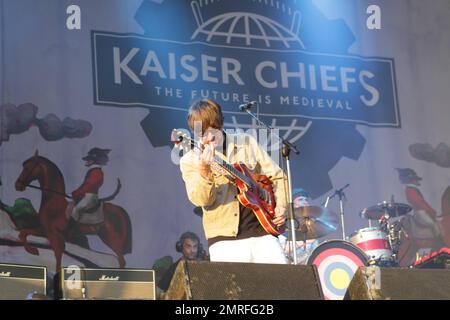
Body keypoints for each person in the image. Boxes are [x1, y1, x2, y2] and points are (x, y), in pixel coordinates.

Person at [179, 99, 287, 264]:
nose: (209, 136)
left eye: (212, 129)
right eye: (203, 133)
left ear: (220, 123)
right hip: (224, 240)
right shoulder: (190, 159)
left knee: (282, 285)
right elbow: (201, 200)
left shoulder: (246, 142)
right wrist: (204, 171)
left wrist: (281, 205)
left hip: (263, 231)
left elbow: (278, 176)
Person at [65, 147, 110, 237]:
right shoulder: (93, 171)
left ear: (95, 161)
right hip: (85, 195)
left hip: (90, 197)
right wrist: (74, 193)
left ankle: (68, 233)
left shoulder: (97, 172)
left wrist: (74, 194)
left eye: (90, 160)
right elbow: (84, 186)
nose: (87, 161)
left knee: (76, 210)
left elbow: (88, 186)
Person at [279, 188, 319, 264]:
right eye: (300, 200)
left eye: (306, 200)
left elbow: (314, 252)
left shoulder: (310, 224)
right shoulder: (285, 222)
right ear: (292, 204)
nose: (305, 202)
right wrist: (305, 242)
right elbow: (280, 249)